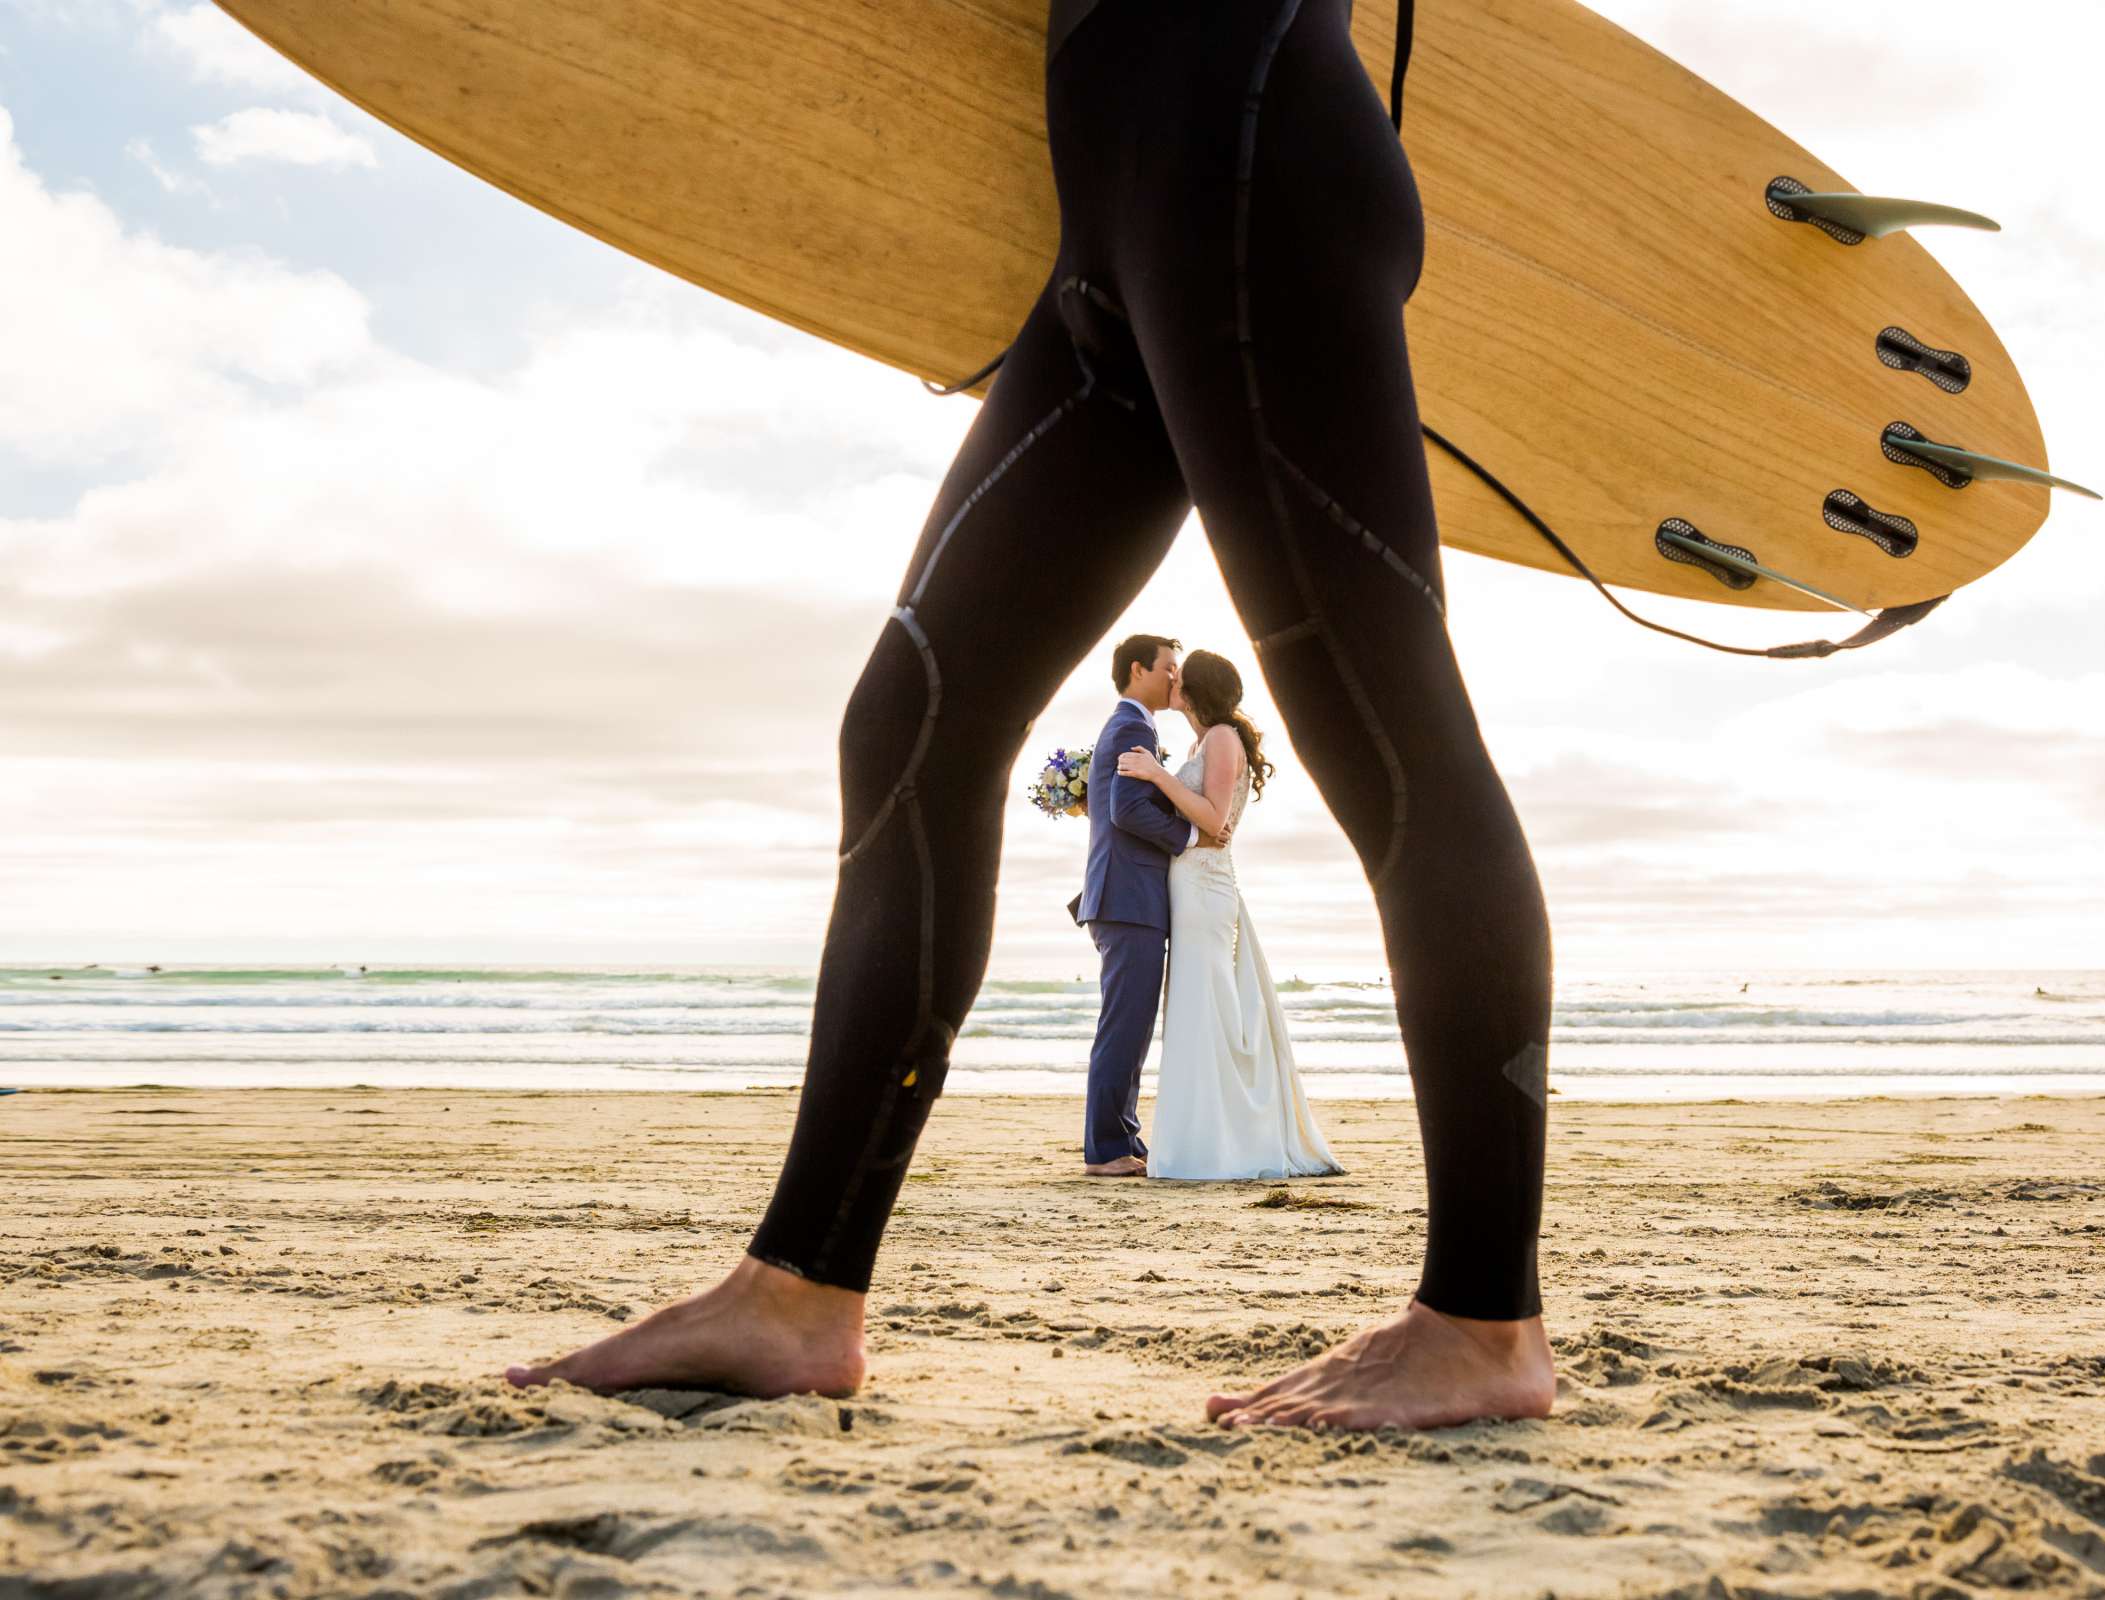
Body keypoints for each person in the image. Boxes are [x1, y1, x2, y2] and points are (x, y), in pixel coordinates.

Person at [508, 0, 1555, 1432]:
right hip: (1116, 229)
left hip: (1243, 158)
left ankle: (1484, 1325)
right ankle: (798, 1292)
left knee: (1389, 736)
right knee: (908, 728)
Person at [1116, 649, 1342, 1181]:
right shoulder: (1202, 740)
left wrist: (1157, 776)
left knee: (1206, 1006)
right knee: (1197, 1008)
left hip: (1205, 886)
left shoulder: (1220, 738)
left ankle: (1217, 1143)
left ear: (1193, 690)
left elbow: (1216, 822)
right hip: (1189, 884)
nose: (1170, 678)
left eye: (1178, 674)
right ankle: (1203, 1135)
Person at [1069, 634, 1211, 1178]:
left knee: (1131, 1023)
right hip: (1128, 897)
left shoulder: (1133, 726)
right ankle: (1105, 1150)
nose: (1176, 677)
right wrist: (1192, 837)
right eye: (1169, 667)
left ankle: (1121, 1135)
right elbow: (1128, 812)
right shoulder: (1131, 727)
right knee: (1124, 1026)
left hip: (1126, 895)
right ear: (1137, 670)